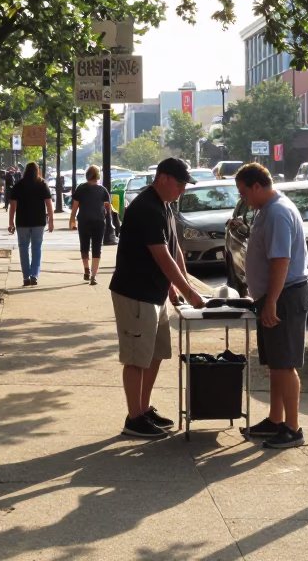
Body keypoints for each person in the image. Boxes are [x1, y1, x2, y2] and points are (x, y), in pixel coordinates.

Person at [110, 158, 205, 438]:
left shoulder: (165, 206)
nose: (183, 190)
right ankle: (134, 418)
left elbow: (174, 250)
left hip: (155, 293)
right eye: (180, 184)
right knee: (136, 358)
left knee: (155, 354)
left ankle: (143, 407)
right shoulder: (146, 208)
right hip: (135, 293)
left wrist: (180, 287)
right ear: (163, 178)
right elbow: (161, 255)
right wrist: (188, 291)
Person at [235, 162, 308, 449]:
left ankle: (292, 428)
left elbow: (281, 261)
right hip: (274, 296)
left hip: (285, 296)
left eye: (243, 192)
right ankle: (276, 420)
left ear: (257, 186)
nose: (242, 198)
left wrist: (271, 303)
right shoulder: (265, 211)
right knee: (275, 364)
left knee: (285, 364)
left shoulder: (278, 213)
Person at [7, 161, 53, 286]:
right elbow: (49, 204)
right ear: (37, 171)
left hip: (22, 221)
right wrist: (51, 222)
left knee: (23, 249)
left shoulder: (18, 185)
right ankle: (34, 275)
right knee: (37, 248)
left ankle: (26, 276)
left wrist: (11, 222)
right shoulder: (42, 184)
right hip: (38, 221)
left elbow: (13, 206)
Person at [69, 165, 113, 285]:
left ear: (87, 176)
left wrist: (72, 220)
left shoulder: (80, 189)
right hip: (99, 221)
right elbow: (107, 207)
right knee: (97, 248)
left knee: (84, 246)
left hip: (84, 221)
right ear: (98, 176)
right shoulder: (103, 190)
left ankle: (86, 269)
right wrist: (108, 217)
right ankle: (94, 275)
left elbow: (74, 207)